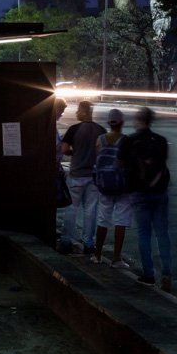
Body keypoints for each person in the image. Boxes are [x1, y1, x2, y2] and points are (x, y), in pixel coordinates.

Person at [119, 106, 172, 287]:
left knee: (144, 233)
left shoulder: (130, 141)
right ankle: (167, 274)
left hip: (139, 192)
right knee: (162, 233)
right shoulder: (161, 141)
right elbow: (163, 164)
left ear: (138, 120)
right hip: (159, 191)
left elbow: (121, 164)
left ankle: (148, 273)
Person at [59, 100, 107, 256]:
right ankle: (88, 243)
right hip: (93, 176)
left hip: (76, 175)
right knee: (91, 210)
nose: (76, 113)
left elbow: (64, 149)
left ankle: (66, 241)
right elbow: (103, 153)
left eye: (78, 110)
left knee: (71, 209)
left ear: (83, 111)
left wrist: (75, 154)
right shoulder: (101, 130)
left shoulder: (74, 129)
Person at [91, 109, 133, 268]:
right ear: (122, 123)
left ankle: (97, 255)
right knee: (121, 221)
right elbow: (128, 163)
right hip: (122, 187)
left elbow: (97, 161)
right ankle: (116, 258)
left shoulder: (100, 140)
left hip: (104, 186)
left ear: (108, 123)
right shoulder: (126, 140)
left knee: (103, 219)